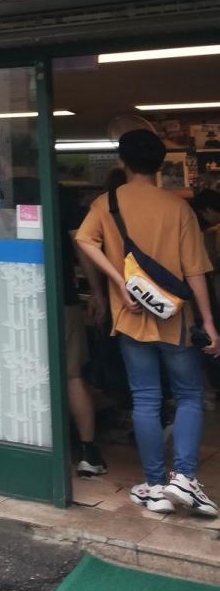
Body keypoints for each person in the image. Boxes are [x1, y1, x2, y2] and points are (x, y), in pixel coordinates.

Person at [76, 128, 220, 517]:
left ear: (122, 162)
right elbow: (195, 270)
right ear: (159, 165)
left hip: (130, 317)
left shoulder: (107, 204)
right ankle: (184, 478)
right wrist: (209, 321)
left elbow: (84, 241)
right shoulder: (178, 208)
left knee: (145, 398)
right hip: (175, 320)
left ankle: (155, 486)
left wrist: (118, 282)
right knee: (188, 395)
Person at [58, 185, 108, 475]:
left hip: (9, 300)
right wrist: (97, 292)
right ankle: (88, 451)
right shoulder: (61, 197)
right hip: (61, 298)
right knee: (72, 375)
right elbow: (82, 244)